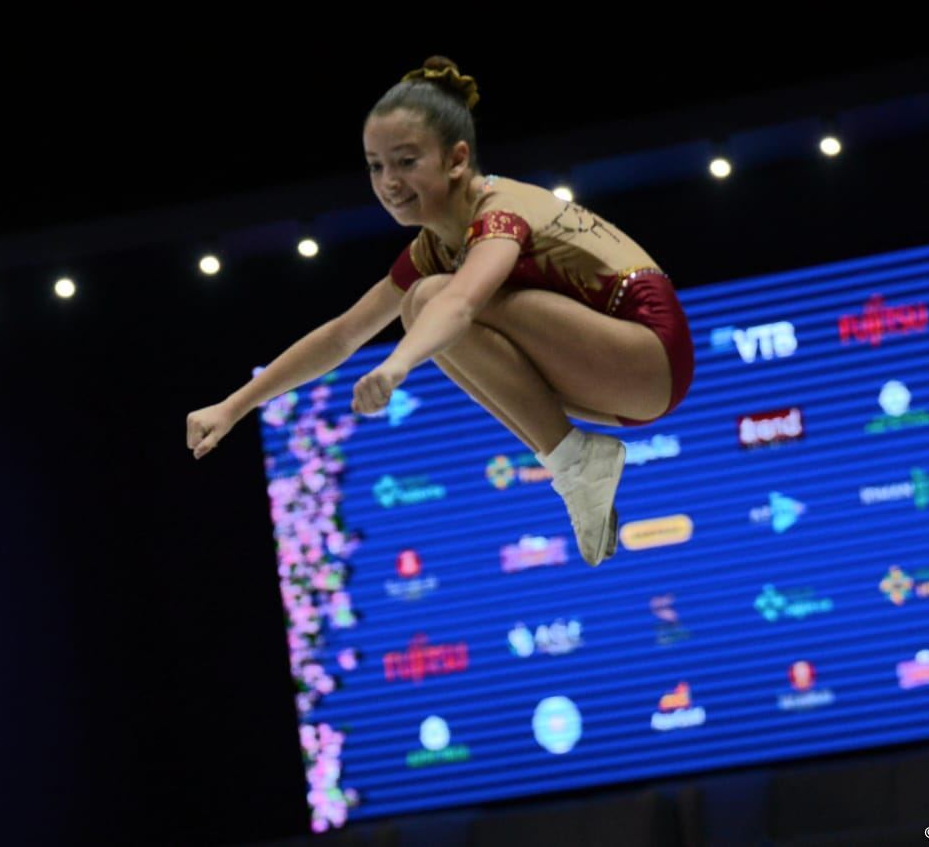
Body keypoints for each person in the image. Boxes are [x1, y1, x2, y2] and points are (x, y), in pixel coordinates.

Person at [187, 55, 694, 566]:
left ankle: (574, 461)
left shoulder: (499, 213)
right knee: (422, 301)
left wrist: (397, 366)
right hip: (612, 381)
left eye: (407, 162)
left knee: (429, 300)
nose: (388, 181)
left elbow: (461, 302)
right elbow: (343, 335)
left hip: (648, 354)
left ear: (456, 160)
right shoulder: (436, 245)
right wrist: (233, 407)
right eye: (375, 165)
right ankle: (573, 459)